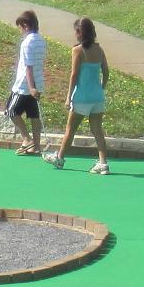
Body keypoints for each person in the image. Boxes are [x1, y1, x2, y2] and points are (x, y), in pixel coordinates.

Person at [48, 17, 112, 174]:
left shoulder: (77, 50)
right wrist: (101, 88)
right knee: (97, 130)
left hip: (82, 97)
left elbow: (74, 74)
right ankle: (103, 163)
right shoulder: (99, 49)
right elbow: (106, 71)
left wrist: (69, 96)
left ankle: (60, 158)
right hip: (97, 97)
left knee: (70, 130)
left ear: (79, 32)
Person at [6, 10, 47, 156]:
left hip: (25, 86)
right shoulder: (41, 40)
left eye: (20, 26)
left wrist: (31, 88)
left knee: (11, 111)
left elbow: (28, 67)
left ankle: (27, 139)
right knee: (33, 115)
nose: (20, 30)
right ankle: (35, 146)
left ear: (26, 25)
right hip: (38, 83)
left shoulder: (27, 43)